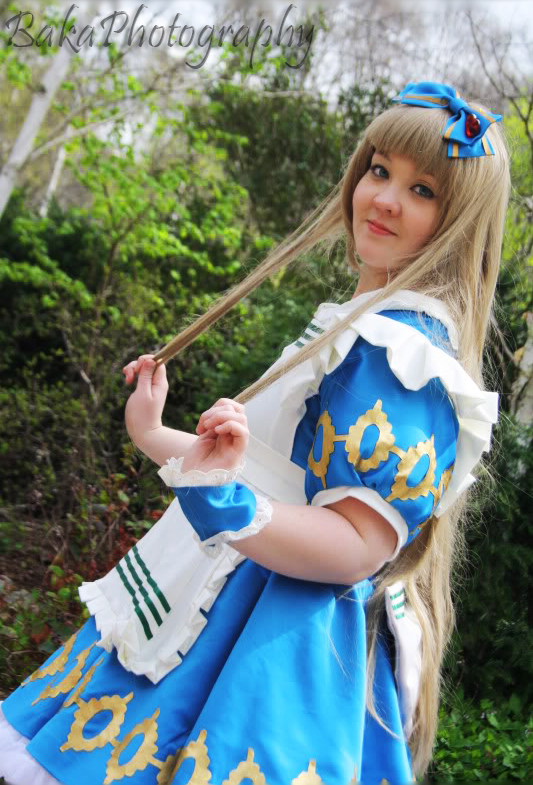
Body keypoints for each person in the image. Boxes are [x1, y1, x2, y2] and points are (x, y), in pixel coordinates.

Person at [0, 81, 510, 785]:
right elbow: (260, 476)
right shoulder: (363, 327)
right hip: (226, 603)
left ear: (458, 221)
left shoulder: (402, 358)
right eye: (379, 170)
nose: (384, 198)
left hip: (267, 647)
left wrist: (226, 504)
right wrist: (155, 434)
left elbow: (355, 546)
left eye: (422, 190)